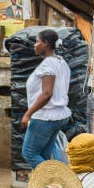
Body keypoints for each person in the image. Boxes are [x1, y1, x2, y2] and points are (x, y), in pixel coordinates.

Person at [21, 29, 72, 169]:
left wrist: (28, 114)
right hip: (58, 115)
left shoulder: (48, 64)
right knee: (43, 155)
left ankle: (56, 179)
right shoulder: (61, 63)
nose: (34, 45)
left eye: (37, 41)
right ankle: (46, 186)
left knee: (29, 153)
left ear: (46, 43)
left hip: (45, 117)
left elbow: (47, 93)